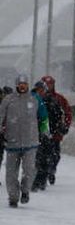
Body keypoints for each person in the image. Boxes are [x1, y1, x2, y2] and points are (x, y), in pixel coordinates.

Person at [0, 74, 50, 207]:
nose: (22, 86)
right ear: (17, 85)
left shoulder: (35, 99)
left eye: (25, 84)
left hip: (30, 142)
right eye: (20, 84)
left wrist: (44, 132)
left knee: (29, 170)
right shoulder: (8, 100)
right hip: (12, 142)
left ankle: (25, 191)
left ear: (28, 85)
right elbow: (0, 116)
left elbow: (44, 117)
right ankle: (13, 197)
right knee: (11, 173)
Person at [40, 75, 72, 186]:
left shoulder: (59, 98)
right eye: (46, 84)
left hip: (56, 131)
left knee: (55, 155)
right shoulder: (38, 98)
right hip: (42, 132)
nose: (48, 86)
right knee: (42, 155)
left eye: (50, 84)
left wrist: (65, 126)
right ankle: (43, 173)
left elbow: (67, 112)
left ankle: (51, 170)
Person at [31, 80, 62, 191]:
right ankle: (39, 180)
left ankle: (40, 180)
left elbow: (57, 115)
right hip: (40, 134)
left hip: (44, 133)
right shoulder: (35, 100)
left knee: (44, 158)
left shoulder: (50, 100)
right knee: (43, 158)